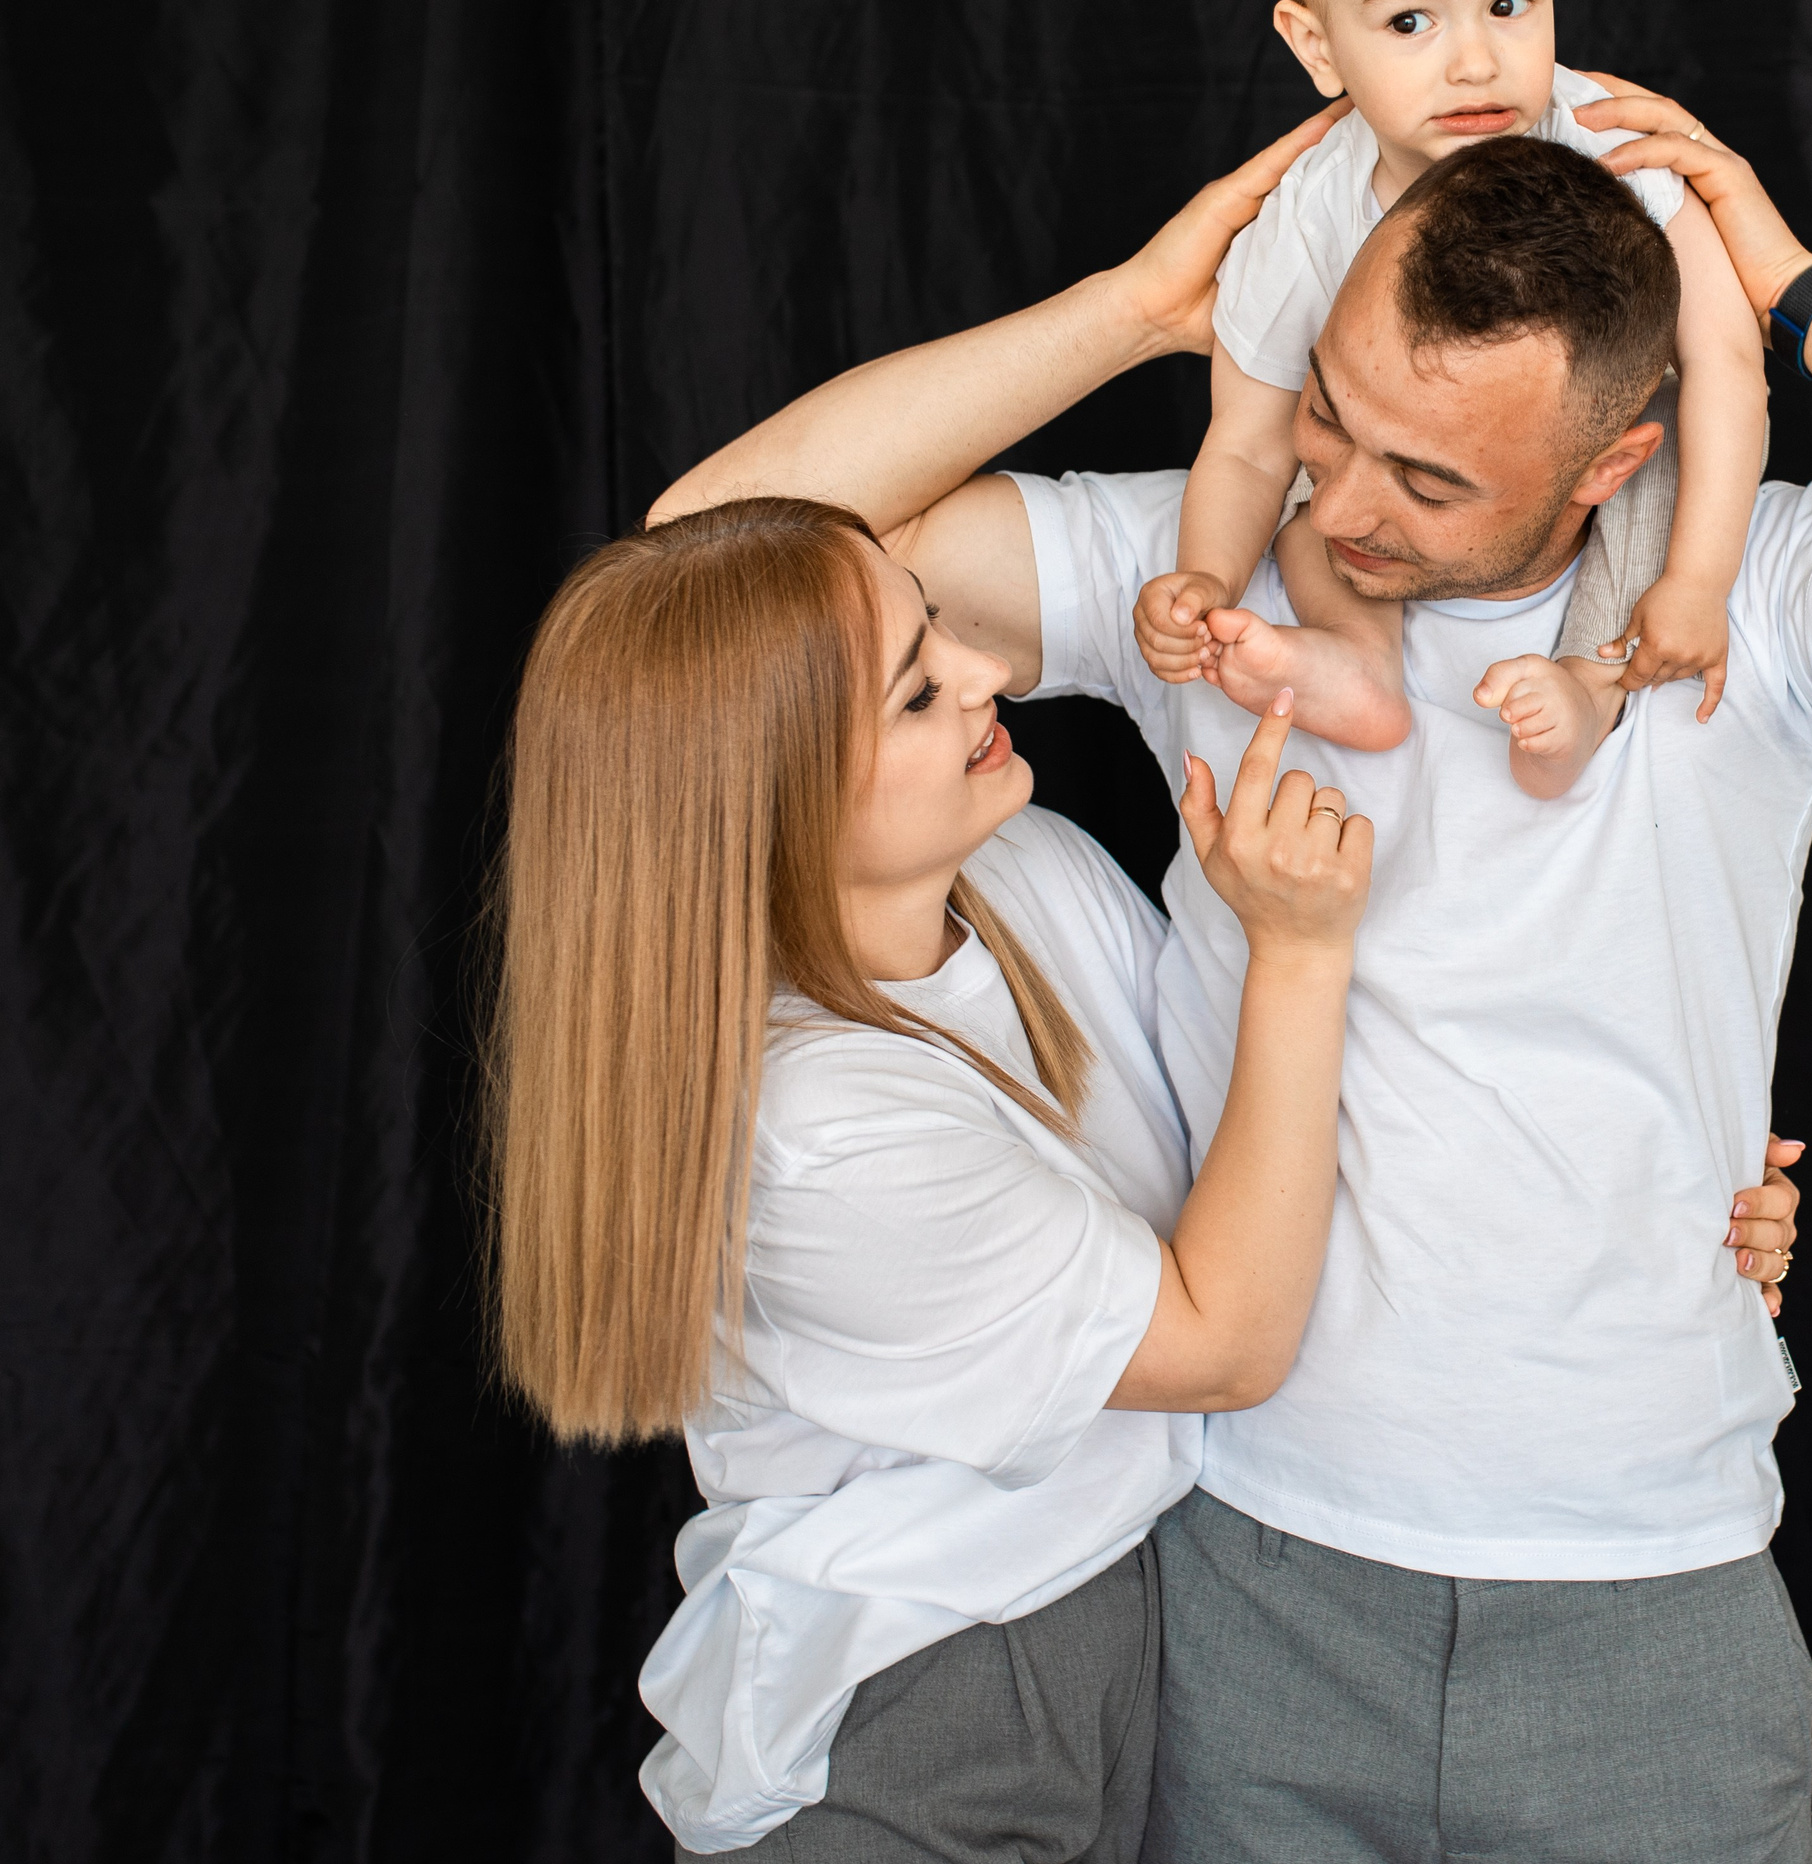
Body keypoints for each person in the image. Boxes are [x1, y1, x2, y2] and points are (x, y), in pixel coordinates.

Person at [657, 87, 1812, 1859]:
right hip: (1244, 1581)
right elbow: (710, 557)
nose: (1340, 502)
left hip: (1652, 1597)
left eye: (1430, 479)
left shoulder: (1743, 604)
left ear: (1611, 464)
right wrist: (1133, 312)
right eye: (1332, 415)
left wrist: (1791, 286)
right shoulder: (1203, 567)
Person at [483, 492, 1386, 1856]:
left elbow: (1254, 1149)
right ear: (772, 803)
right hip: (918, 1707)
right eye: (917, 693)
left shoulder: (1020, 868)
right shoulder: (818, 1137)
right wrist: (1302, 953)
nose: (991, 672)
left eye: (940, 628)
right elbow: (1225, 1341)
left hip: (1118, 1633)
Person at [1134, 0, 1772, 795]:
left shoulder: (1619, 144)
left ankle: (1591, 687)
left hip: (1593, 459)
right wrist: (1205, 578)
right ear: (1316, 46)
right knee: (1315, 504)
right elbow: (1246, 443)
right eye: (1409, 23)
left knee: (1658, 468)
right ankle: (1358, 658)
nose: (1475, 62)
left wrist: (1699, 582)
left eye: (1509, 4)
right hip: (1406, 515)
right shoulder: (1313, 206)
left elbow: (1729, 363)